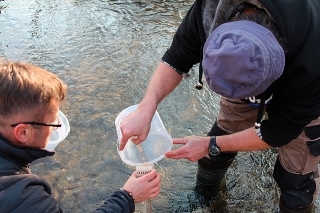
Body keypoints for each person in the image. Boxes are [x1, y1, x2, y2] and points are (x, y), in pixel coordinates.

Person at [118, 0, 320, 212]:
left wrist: (209, 143)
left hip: (304, 93)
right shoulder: (210, 10)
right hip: (242, 74)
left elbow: (278, 134)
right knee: (213, 154)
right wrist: (146, 108)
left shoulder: (311, 62)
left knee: (295, 183)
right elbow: (176, 59)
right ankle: (206, 198)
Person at [0, 60, 161, 213]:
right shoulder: (25, 197)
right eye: (53, 123)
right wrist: (128, 197)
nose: (56, 129)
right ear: (23, 133)